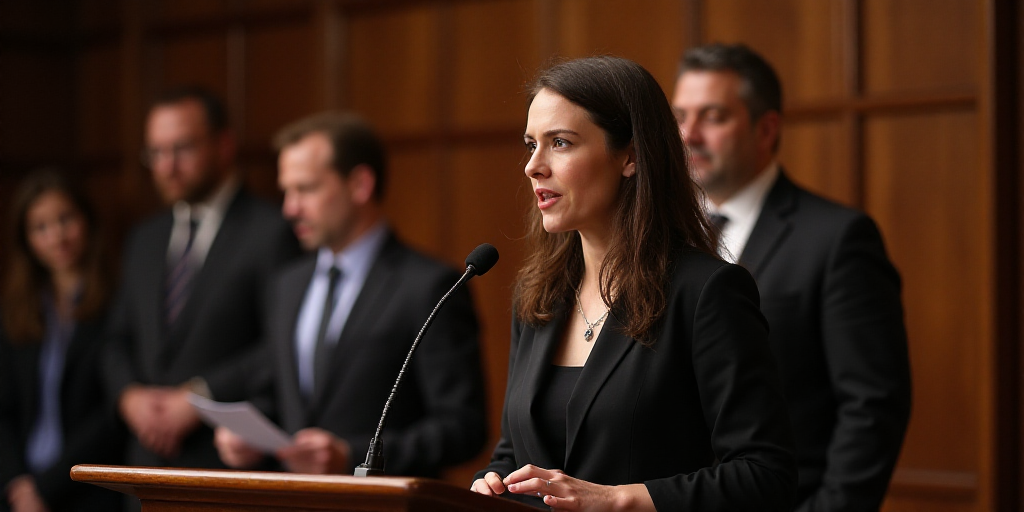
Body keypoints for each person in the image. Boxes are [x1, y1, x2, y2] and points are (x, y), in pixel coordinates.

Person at [470, 56, 796, 511]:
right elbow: (514, 451)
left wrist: (620, 500)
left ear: (631, 155)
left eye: (560, 143)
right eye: (530, 145)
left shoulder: (707, 292)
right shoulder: (537, 296)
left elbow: (765, 475)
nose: (533, 167)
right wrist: (492, 483)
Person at [672, 43, 911, 512]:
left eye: (713, 116)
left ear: (767, 128)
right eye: (680, 116)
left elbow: (872, 408)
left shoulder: (838, 239)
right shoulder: (662, 241)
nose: (688, 135)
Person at [213, 112, 487, 477]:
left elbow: (463, 427)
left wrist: (353, 455)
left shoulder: (429, 286)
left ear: (360, 184)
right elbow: (281, 397)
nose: (289, 209)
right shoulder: (286, 285)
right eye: (286, 191)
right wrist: (250, 437)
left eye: (305, 189)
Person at [102, 86, 300, 477]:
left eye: (183, 148)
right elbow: (116, 339)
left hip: (225, 463)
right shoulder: (144, 237)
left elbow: (282, 342)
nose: (167, 166)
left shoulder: (272, 232)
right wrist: (130, 398)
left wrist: (199, 397)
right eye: (156, 153)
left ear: (224, 145)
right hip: (143, 464)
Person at [0, 169, 125, 512]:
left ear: (86, 220)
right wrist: (17, 486)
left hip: (88, 488)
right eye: (40, 227)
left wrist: (45, 487)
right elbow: (3, 410)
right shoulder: (16, 310)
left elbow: (110, 413)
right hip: (19, 490)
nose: (56, 236)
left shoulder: (119, 302)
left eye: (65, 219)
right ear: (26, 239)